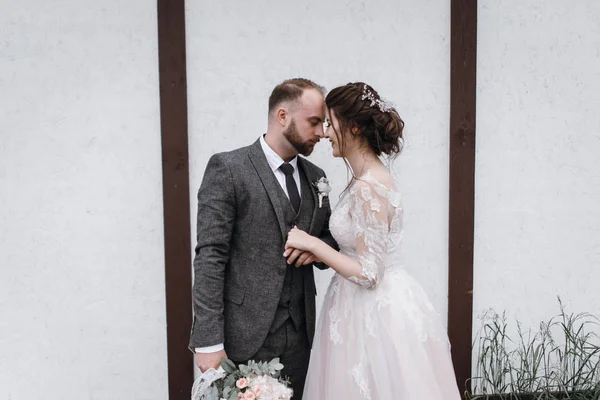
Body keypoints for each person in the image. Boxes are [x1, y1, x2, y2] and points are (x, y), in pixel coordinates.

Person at [285, 82, 462, 399]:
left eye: (331, 123)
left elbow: (370, 273)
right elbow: (360, 247)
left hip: (374, 313)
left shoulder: (369, 187)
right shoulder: (361, 179)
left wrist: (315, 246)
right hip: (350, 306)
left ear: (353, 126)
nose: (325, 133)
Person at [189, 78, 337, 398]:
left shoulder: (316, 178)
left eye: (324, 124)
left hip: (302, 339)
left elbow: (329, 240)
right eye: (314, 122)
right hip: (242, 338)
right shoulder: (229, 168)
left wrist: (318, 250)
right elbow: (210, 257)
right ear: (282, 116)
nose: (322, 133)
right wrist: (208, 342)